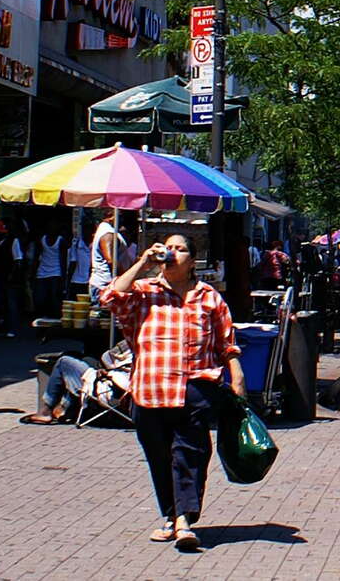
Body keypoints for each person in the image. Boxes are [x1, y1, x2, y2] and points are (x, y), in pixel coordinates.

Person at [101, 233, 246, 552]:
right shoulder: (144, 292)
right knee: (160, 456)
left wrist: (237, 378)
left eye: (181, 250)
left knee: (190, 454)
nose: (173, 254)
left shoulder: (208, 297)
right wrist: (142, 263)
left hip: (195, 387)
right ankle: (170, 516)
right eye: (169, 248)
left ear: (192, 261)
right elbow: (110, 298)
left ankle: (184, 520)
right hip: (149, 390)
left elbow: (227, 342)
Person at [23, 342, 133, 425]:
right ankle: (66, 409)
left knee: (64, 362)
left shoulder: (133, 342)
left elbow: (106, 359)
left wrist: (105, 372)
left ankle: (45, 412)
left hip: (111, 393)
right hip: (131, 396)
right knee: (87, 360)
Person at [33, 226, 68, 332]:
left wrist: (63, 277)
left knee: (54, 298)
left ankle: (55, 322)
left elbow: (63, 259)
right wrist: (33, 272)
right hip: (42, 272)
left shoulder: (60, 241)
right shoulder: (42, 239)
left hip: (56, 272)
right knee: (40, 298)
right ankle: (42, 319)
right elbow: (37, 256)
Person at [90, 206, 128, 300]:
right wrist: (126, 276)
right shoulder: (107, 234)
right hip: (105, 285)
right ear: (111, 215)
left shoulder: (107, 230)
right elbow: (111, 260)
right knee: (104, 314)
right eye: (120, 216)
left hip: (106, 284)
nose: (122, 220)